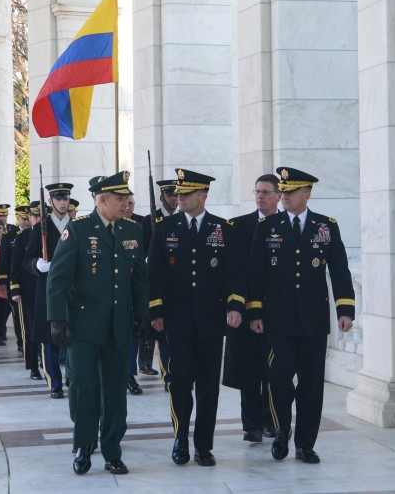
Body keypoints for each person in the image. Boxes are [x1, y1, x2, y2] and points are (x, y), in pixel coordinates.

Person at [248, 167, 355, 464]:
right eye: (281, 192)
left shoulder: (326, 226)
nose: (283, 197)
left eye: (290, 192)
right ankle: (282, 430)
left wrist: (345, 309)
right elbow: (255, 273)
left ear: (306, 194)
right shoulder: (268, 226)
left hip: (314, 319)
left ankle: (306, 444)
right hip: (277, 319)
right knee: (280, 379)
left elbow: (339, 270)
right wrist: (254, 311)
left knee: (311, 384)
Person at [47, 171, 149, 476]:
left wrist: (142, 314)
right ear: (102, 201)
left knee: (116, 390)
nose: (125, 204)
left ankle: (113, 450)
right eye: (119, 199)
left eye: (126, 199)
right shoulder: (78, 231)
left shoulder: (133, 230)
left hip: (118, 326)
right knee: (83, 386)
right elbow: (57, 280)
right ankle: (83, 445)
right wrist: (56, 319)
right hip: (83, 327)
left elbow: (140, 280)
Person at [147, 169, 244, 467]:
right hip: (177, 320)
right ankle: (180, 439)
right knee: (180, 382)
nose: (180, 198)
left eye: (186, 194)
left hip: (212, 320)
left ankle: (204, 445)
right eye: (178, 193)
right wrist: (156, 310)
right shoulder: (165, 227)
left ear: (203, 195)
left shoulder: (223, 228)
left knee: (207, 385)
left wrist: (235, 306)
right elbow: (155, 273)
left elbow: (234, 273)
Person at [222, 174, 281, 443]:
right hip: (246, 310)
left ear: (279, 196)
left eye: (267, 192)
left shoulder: (285, 224)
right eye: (257, 191)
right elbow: (234, 270)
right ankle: (252, 424)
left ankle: (272, 420)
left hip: (277, 311)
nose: (260, 197)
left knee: (275, 370)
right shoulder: (239, 226)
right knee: (249, 370)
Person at [25, 182, 73, 398]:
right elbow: (26, 261)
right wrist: (38, 265)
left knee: (74, 336)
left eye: (66, 198)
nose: (63, 202)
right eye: (59, 199)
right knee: (48, 338)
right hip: (47, 288)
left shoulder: (78, 225)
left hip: (73, 289)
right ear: (51, 201)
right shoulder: (39, 228)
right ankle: (54, 382)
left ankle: (72, 376)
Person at [141, 179, 178, 383]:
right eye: (169, 195)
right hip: (158, 284)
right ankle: (167, 373)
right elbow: (143, 251)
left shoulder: (182, 218)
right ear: (162, 197)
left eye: (175, 195)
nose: (173, 199)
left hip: (177, 285)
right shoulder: (150, 221)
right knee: (160, 335)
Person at [11, 202, 42, 380]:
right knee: (30, 330)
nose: (37, 219)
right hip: (28, 290)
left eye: (40, 216)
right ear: (29, 217)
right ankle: (33, 366)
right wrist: (15, 288)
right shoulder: (21, 237)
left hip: (45, 288)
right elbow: (15, 265)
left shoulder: (50, 234)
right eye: (34, 216)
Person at [123, 194, 146, 396]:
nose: (127, 207)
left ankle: (130, 375)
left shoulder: (138, 227)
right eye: (124, 203)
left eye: (131, 203)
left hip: (130, 295)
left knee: (131, 338)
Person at [0, 205, 28, 350]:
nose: (27, 221)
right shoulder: (9, 235)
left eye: (29, 218)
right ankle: (21, 342)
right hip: (14, 281)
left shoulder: (35, 233)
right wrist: (3, 280)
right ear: (18, 218)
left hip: (30, 280)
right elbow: (3, 258)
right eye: (24, 218)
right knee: (17, 314)